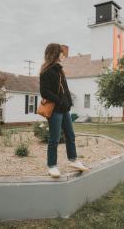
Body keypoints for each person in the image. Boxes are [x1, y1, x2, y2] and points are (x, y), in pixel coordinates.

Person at [39, 43, 89, 178]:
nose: (63, 55)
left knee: (70, 136)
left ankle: (73, 160)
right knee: (54, 139)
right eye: (61, 52)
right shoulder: (46, 71)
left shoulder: (59, 70)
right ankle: (52, 166)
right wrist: (59, 100)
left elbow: (65, 90)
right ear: (55, 53)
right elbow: (44, 92)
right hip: (55, 110)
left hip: (65, 109)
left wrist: (68, 102)